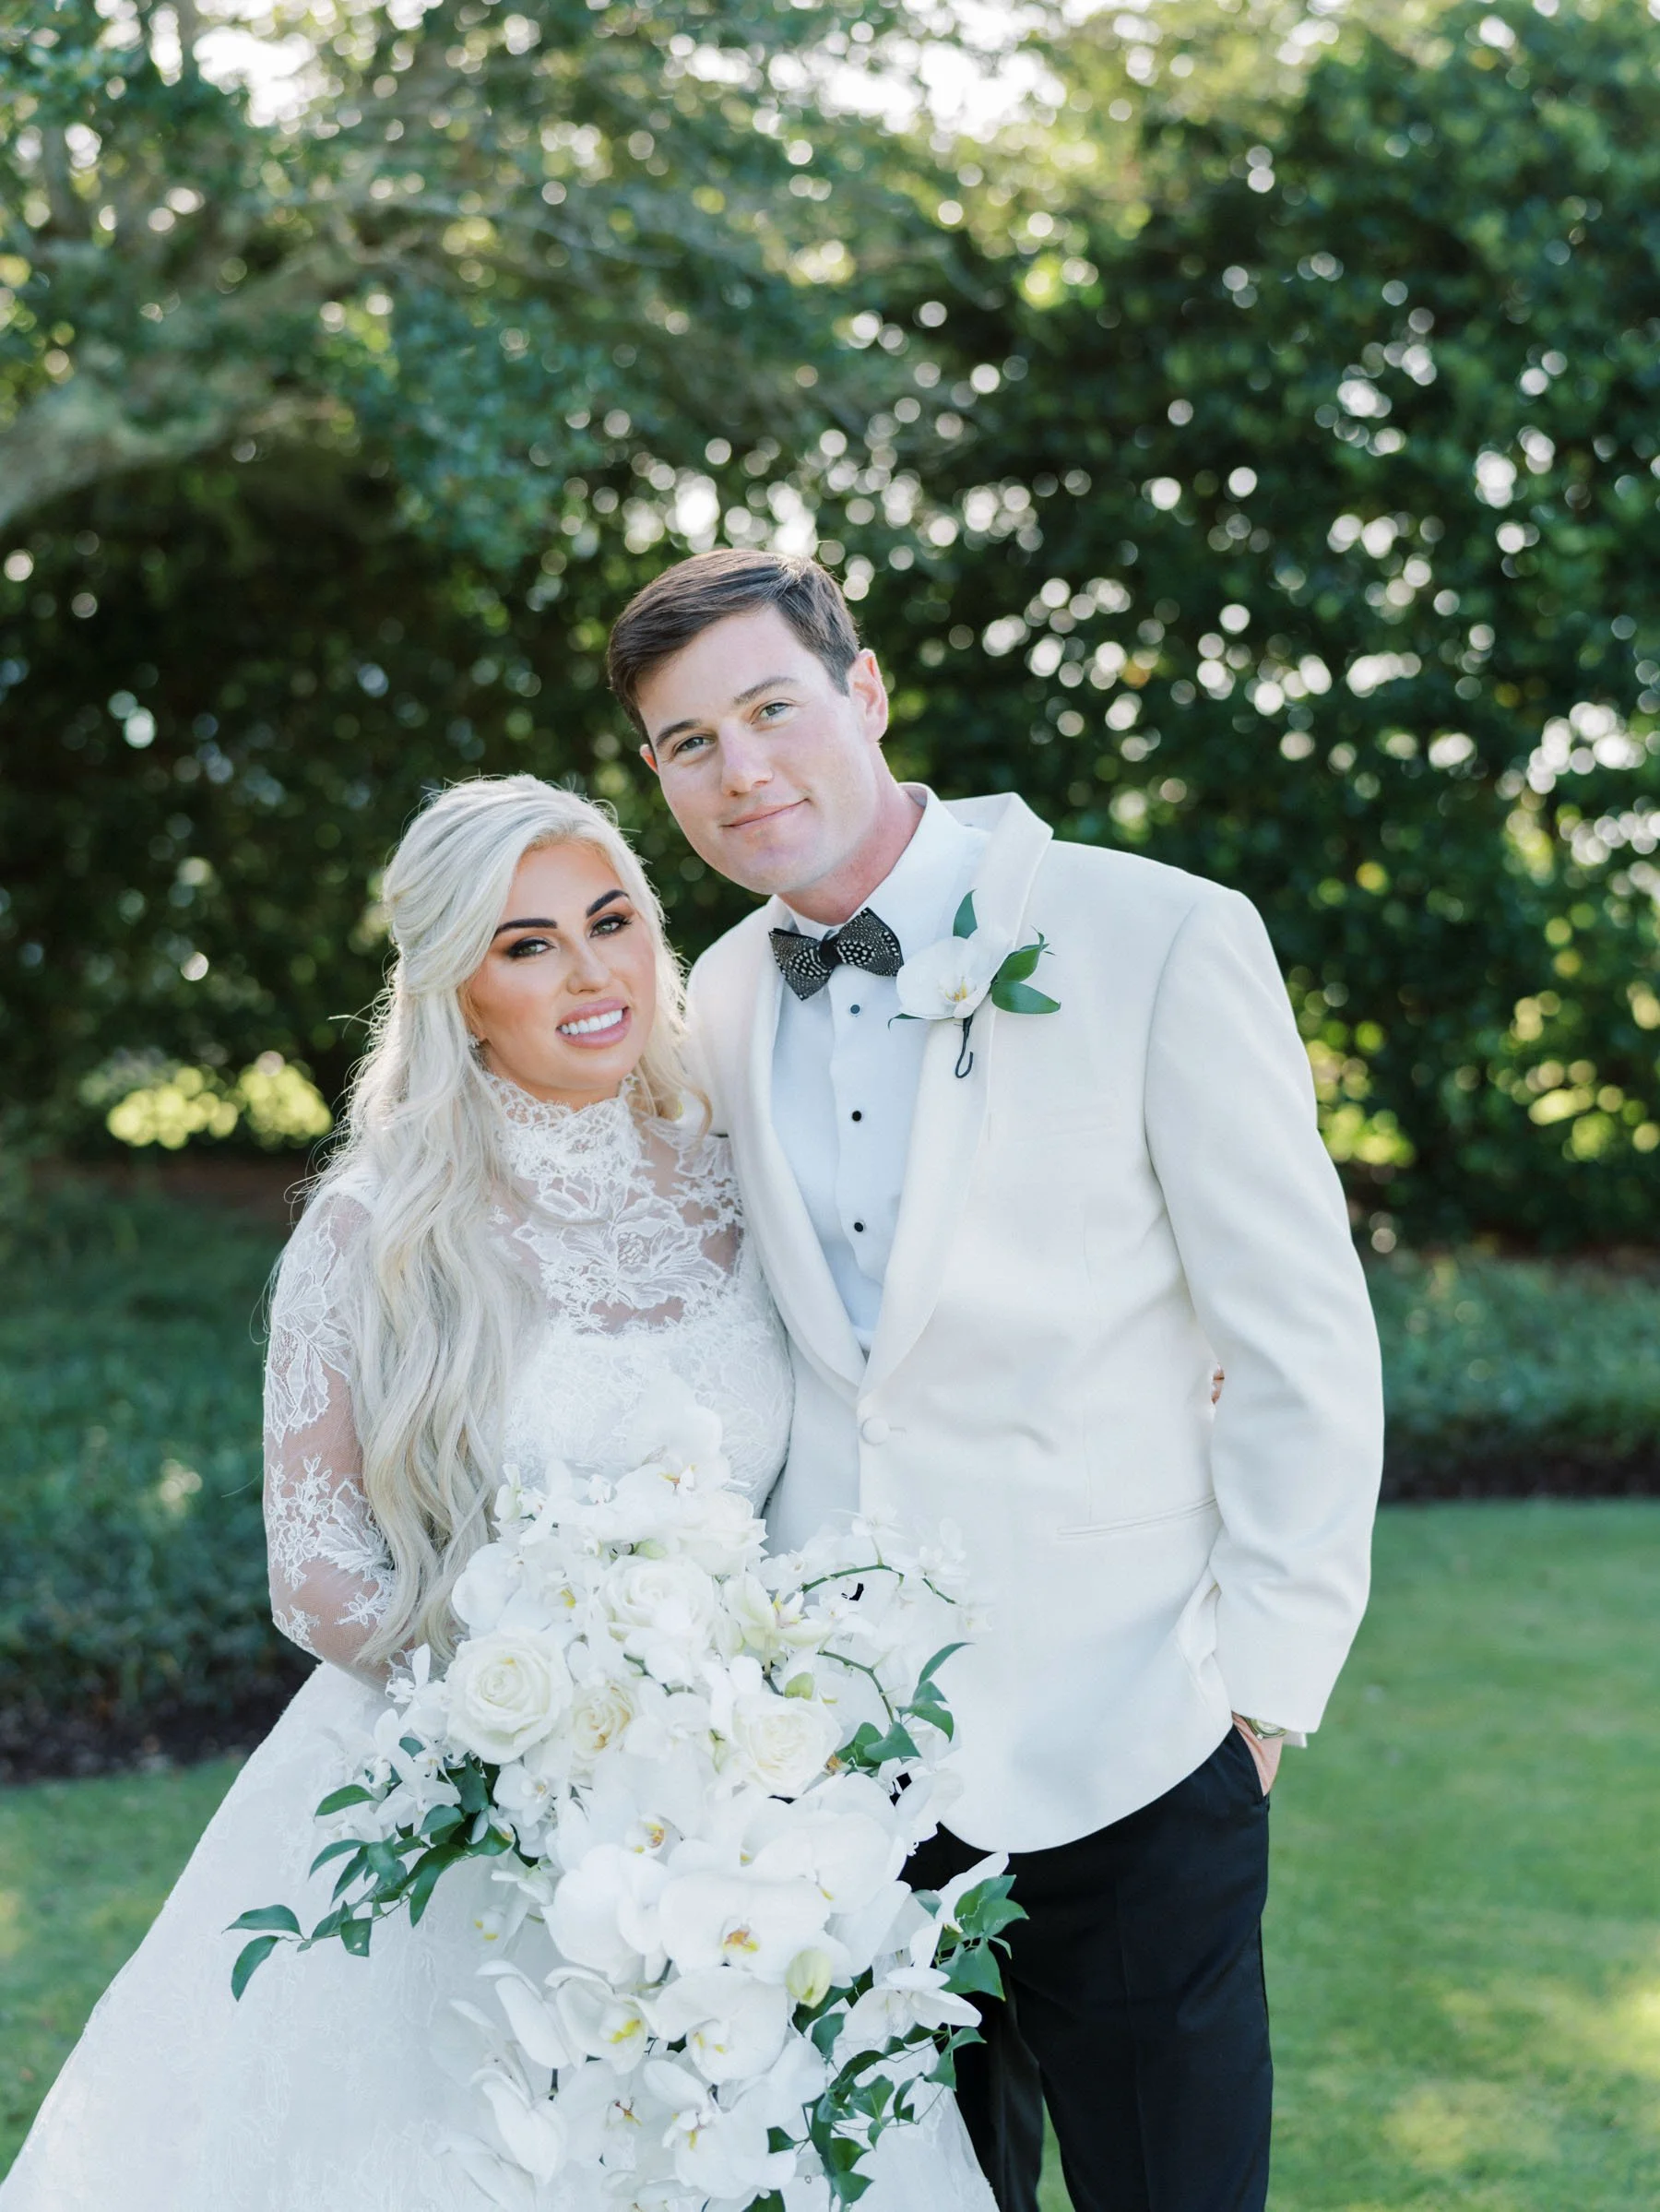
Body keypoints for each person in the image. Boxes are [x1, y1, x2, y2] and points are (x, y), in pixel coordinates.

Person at [0, 776, 993, 2212]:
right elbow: (317, 1567)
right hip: (463, 1804)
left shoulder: (739, 1179)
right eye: (527, 945)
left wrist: (716, 1729)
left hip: (730, 1815)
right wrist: (547, 1711)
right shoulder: (377, 1227)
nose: (588, 973)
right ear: (459, 989)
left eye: (609, 922)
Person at [610, 549, 1386, 2212]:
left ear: (867, 693)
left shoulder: (1153, 932)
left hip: (1138, 1740)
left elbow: (1302, 1337)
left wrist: (1256, 1699)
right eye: (687, 744)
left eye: (770, 709)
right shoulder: (723, 996)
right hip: (850, 1779)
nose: (740, 770)